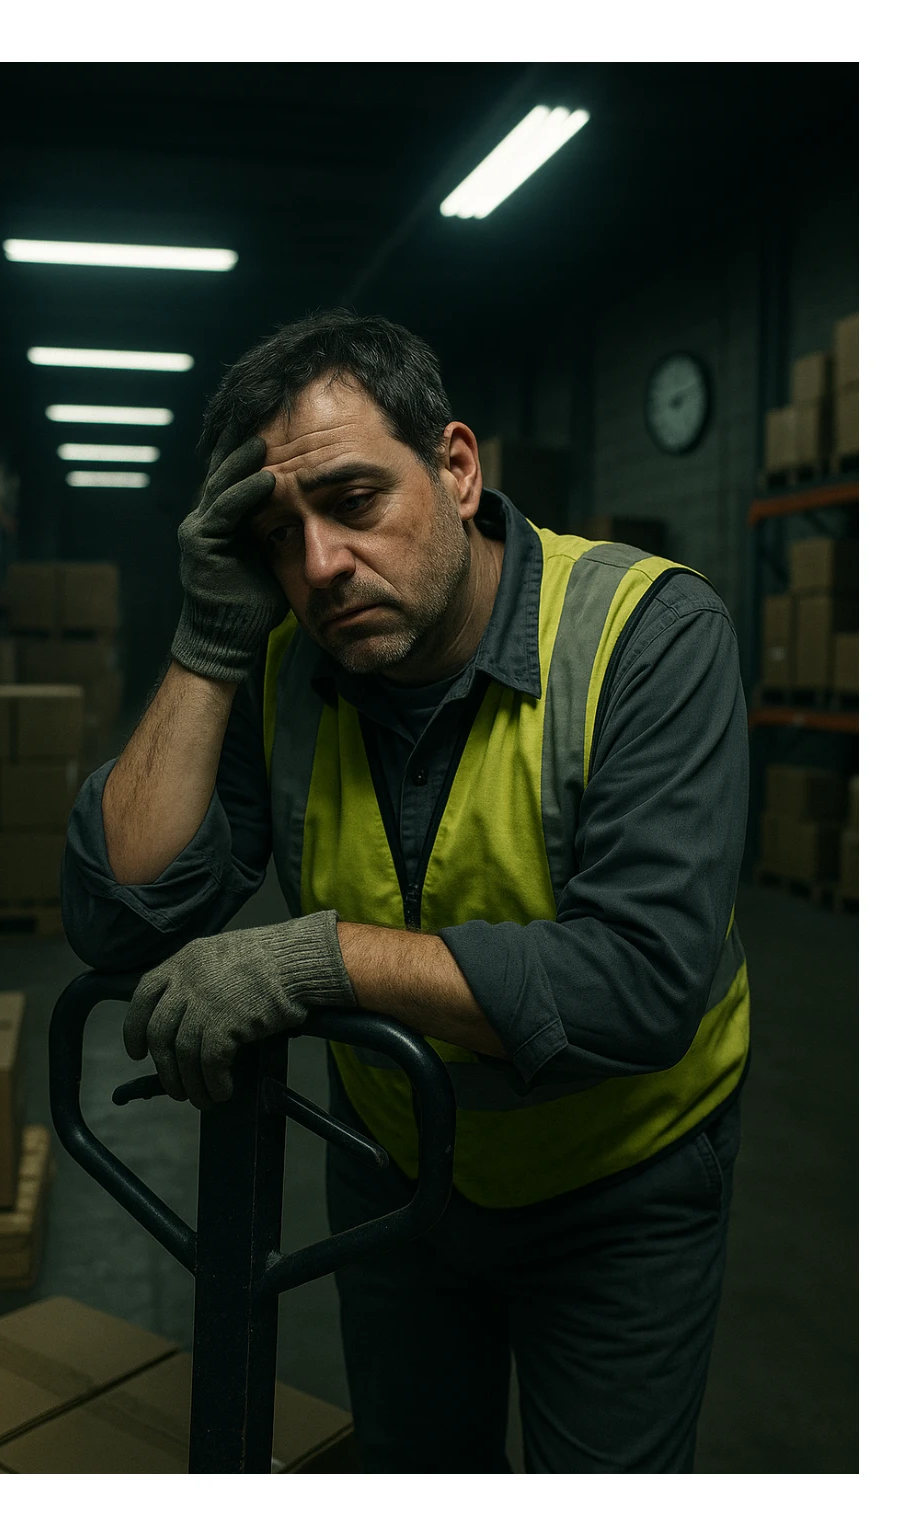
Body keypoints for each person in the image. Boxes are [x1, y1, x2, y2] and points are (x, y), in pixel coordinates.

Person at [61, 309, 751, 1474]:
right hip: (396, 1165)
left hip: (621, 1181)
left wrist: (314, 959)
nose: (321, 565)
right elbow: (119, 912)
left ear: (458, 468)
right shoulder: (284, 663)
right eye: (280, 535)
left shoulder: (646, 636)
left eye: (353, 501)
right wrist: (212, 636)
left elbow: (640, 983)